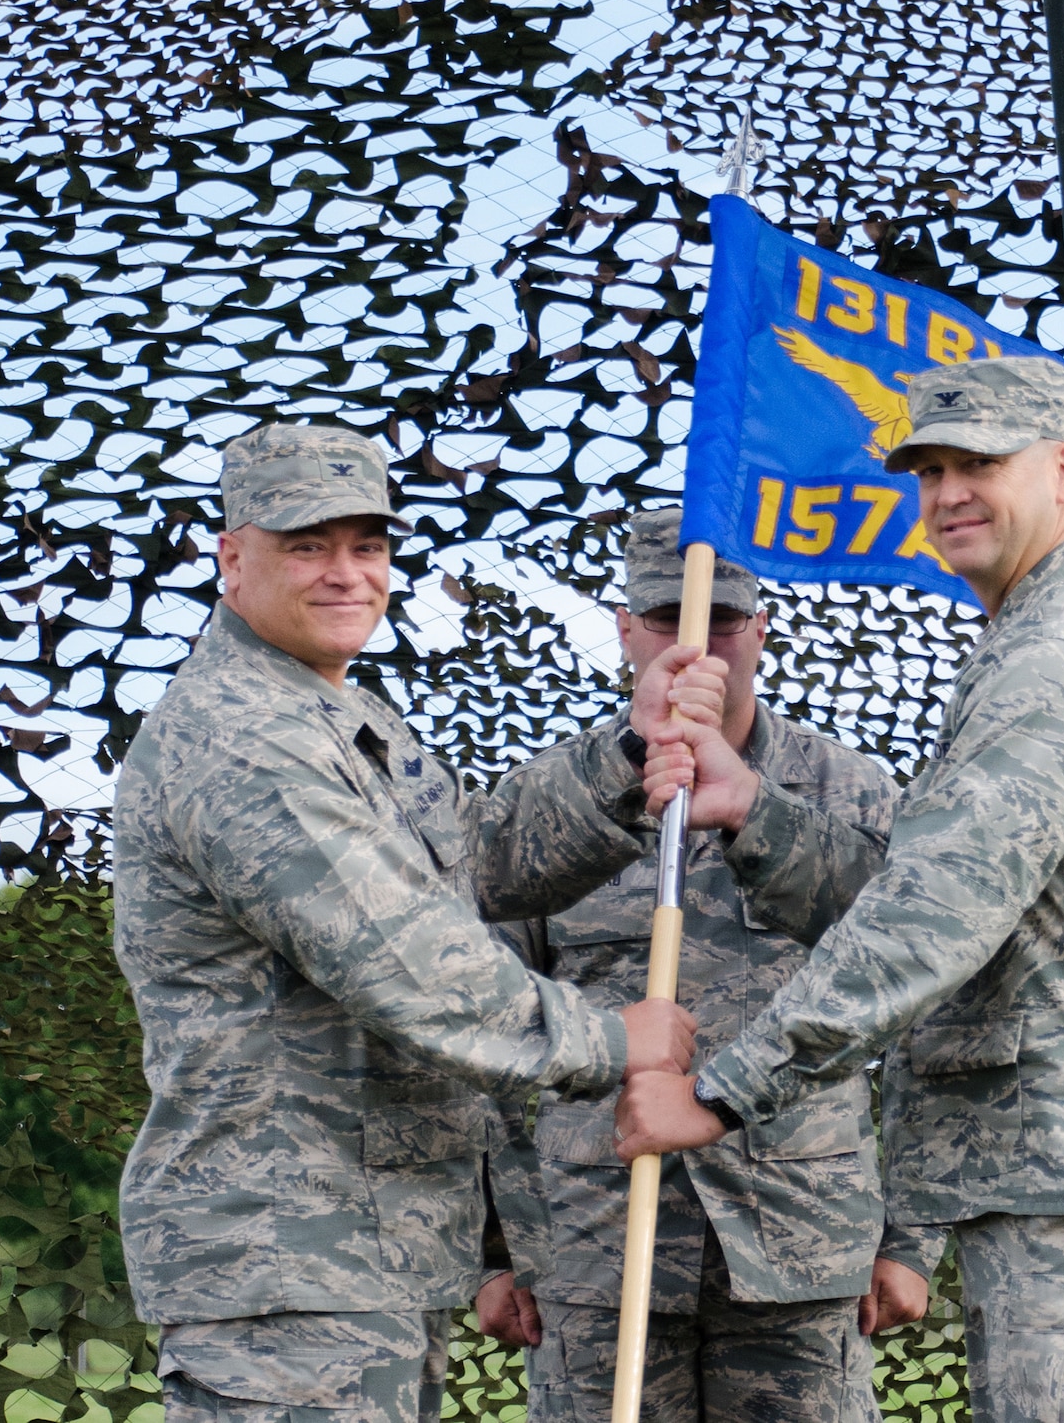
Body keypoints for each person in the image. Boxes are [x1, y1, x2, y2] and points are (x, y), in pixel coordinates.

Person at [617, 359, 1064, 1423]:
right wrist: (758, 813)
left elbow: (936, 916)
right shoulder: (1031, 640)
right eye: (929, 469)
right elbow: (935, 886)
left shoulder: (1059, 663)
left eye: (980, 464)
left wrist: (721, 1091)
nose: (949, 492)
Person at [111, 423, 706, 1423]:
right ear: (231, 558)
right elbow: (402, 961)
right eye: (307, 545)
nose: (347, 573)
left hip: (348, 1259)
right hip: (284, 1268)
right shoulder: (244, 739)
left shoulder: (338, 718)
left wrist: (622, 755)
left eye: (368, 546)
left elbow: (467, 863)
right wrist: (608, 1040)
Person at [473, 509, 915, 1423]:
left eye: (720, 617)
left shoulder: (852, 793)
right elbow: (481, 1035)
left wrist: (910, 1237)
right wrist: (496, 1248)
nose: (695, 640)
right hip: (597, 1248)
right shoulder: (555, 810)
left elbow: (923, 1005)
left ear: (760, 628)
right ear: (625, 625)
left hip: (801, 1245)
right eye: (669, 614)